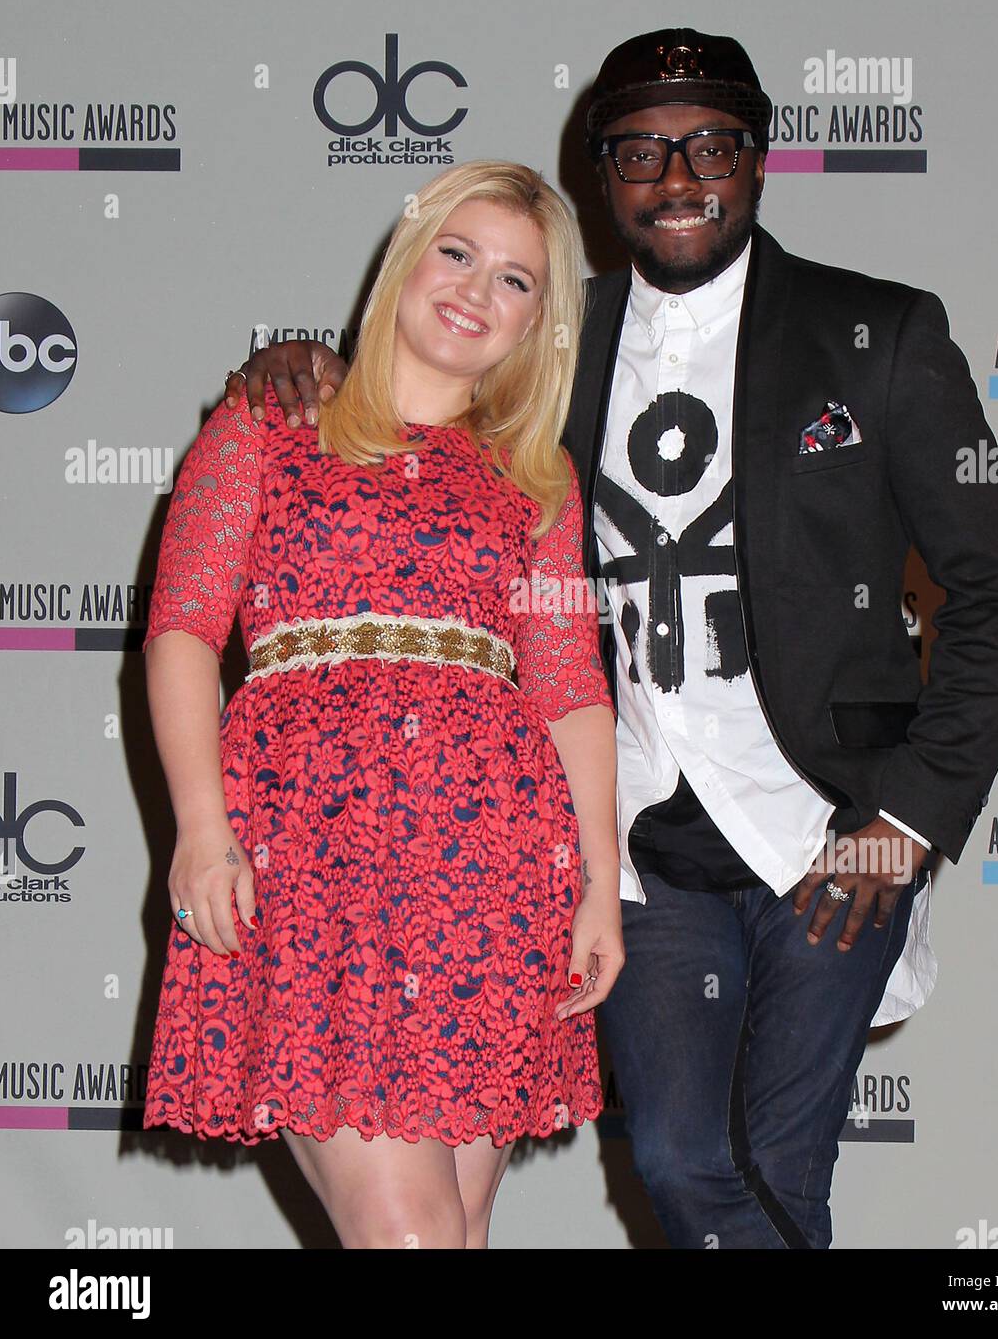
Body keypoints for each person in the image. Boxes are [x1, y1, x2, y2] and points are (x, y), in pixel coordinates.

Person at [226, 29, 998, 1249]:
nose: (677, 177)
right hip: (637, 843)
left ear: (760, 162)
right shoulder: (555, 347)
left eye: (708, 145)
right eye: (641, 153)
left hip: (835, 835)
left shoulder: (879, 334)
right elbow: (420, 405)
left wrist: (908, 821)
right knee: (671, 1154)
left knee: (769, 1160)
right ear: (604, 179)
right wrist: (298, 364)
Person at [142, 160, 623, 1250]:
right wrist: (202, 830)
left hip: (492, 863)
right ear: (409, 259)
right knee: (409, 1235)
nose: (474, 290)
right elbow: (180, 632)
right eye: (458, 253)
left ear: (540, 325)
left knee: (455, 1225)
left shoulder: (535, 473)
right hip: (314, 857)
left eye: (516, 281)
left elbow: (568, 687)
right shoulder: (265, 424)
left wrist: (600, 883)